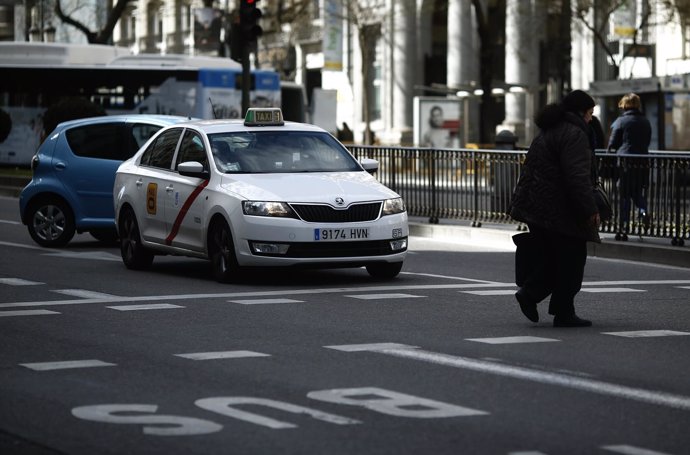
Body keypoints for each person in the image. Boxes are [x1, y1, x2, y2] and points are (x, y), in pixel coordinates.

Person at [508, 89, 601, 327]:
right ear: (581, 112)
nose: (591, 118)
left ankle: (543, 300)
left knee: (554, 258)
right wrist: (590, 209)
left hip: (537, 206)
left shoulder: (550, 129)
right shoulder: (575, 134)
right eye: (590, 113)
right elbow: (577, 177)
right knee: (572, 260)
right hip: (560, 209)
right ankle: (555, 308)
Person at [607, 93, 652, 236]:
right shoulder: (645, 121)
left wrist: (609, 155)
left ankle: (624, 224)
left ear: (624, 105)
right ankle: (643, 211)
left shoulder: (621, 121)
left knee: (624, 194)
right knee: (637, 192)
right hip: (642, 162)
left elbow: (613, 143)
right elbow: (647, 141)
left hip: (625, 162)